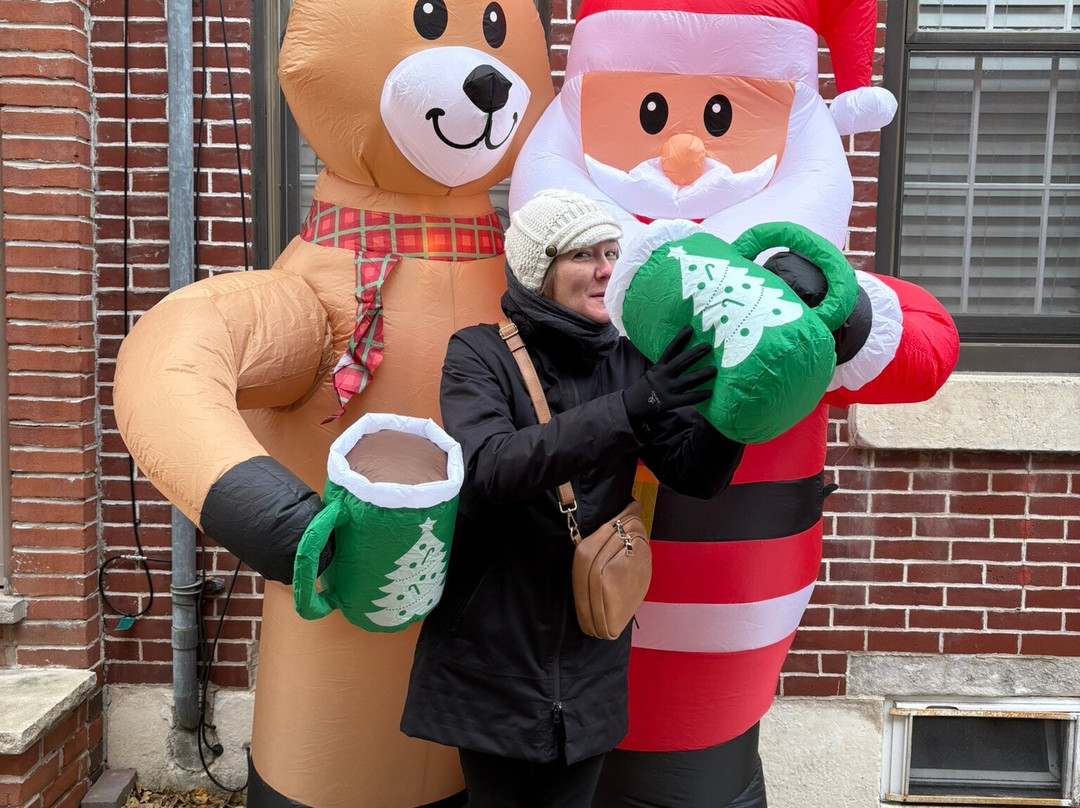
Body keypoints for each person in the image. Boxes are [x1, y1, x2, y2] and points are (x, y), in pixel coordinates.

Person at [400, 189, 745, 808]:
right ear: (538, 271)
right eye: (585, 255)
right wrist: (632, 407)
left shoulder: (632, 358)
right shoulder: (478, 354)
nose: (608, 268)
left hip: (592, 642)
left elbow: (695, 475)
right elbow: (491, 468)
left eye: (612, 251)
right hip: (490, 647)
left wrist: (733, 410)